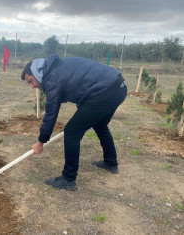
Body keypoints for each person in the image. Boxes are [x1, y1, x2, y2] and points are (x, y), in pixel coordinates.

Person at [21, 54, 127, 191]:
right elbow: (82, 87)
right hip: (118, 86)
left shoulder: (52, 79)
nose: (32, 86)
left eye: (31, 81)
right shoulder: (57, 67)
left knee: (71, 132)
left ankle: (68, 179)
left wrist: (40, 142)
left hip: (105, 90)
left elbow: (50, 115)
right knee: (100, 124)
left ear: (37, 73)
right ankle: (110, 162)